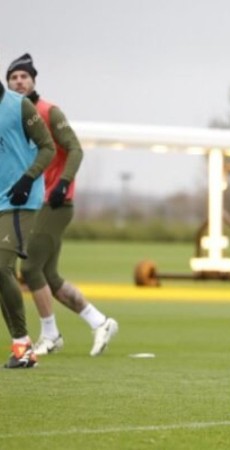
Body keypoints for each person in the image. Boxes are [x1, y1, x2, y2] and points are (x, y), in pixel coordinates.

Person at [7, 54, 118, 357]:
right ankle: (100, 321)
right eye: (13, 77)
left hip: (54, 201)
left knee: (29, 267)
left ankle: (51, 335)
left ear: (33, 81)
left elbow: (75, 149)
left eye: (23, 77)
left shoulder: (48, 112)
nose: (18, 81)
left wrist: (64, 182)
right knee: (50, 277)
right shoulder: (10, 116)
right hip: (31, 203)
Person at [0, 58, 55, 368]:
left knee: (1, 266)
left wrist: (27, 178)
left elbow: (47, 146)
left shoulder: (19, 106)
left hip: (21, 199)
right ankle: (21, 345)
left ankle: (24, 347)